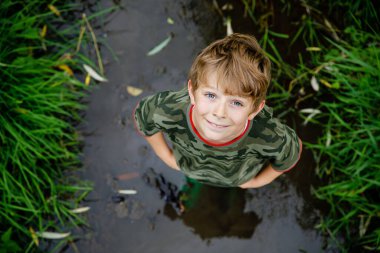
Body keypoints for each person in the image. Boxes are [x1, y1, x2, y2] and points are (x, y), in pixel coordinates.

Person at [133, 33, 302, 188]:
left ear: (255, 110)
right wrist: (167, 157)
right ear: (192, 92)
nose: (220, 113)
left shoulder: (267, 133)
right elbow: (143, 116)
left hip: (236, 180)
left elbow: (292, 151)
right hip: (189, 167)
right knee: (192, 187)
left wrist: (256, 181)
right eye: (210, 95)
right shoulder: (170, 109)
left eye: (236, 103)